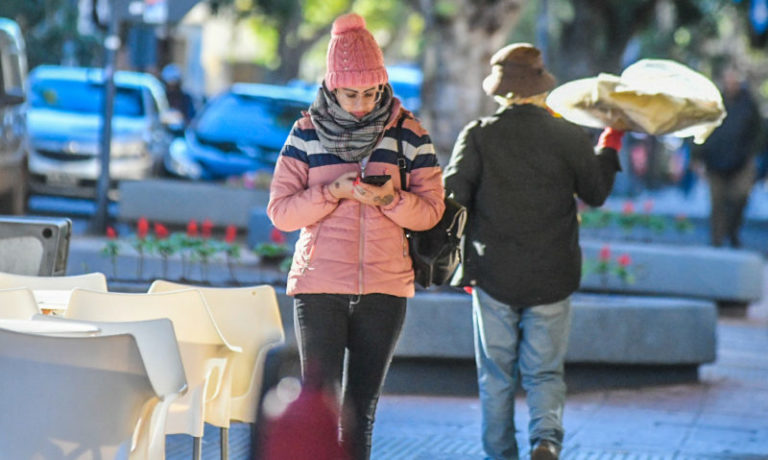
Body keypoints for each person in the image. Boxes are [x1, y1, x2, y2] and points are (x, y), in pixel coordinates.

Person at [266, 13, 445, 460]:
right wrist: (333, 192)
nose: (362, 103)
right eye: (351, 93)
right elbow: (281, 212)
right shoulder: (305, 133)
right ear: (331, 87)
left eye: (371, 92)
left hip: (385, 287)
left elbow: (431, 212)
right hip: (319, 286)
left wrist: (390, 201)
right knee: (317, 405)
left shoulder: (409, 134)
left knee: (361, 408)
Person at [443, 43, 623, 460]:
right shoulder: (566, 134)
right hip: (552, 274)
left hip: (492, 274)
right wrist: (609, 145)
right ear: (541, 84)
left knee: (496, 377)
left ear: (501, 89)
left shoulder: (480, 134)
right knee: (544, 372)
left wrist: (463, 266)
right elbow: (595, 192)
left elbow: (453, 199)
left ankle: (500, 454)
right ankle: (545, 440)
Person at [693, 66, 763, 248]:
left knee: (739, 198)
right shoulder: (714, 102)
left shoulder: (749, 104)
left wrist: (752, 153)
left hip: (741, 161)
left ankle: (733, 232)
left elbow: (759, 132)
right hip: (714, 161)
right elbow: (700, 128)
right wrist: (696, 157)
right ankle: (716, 238)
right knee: (717, 202)